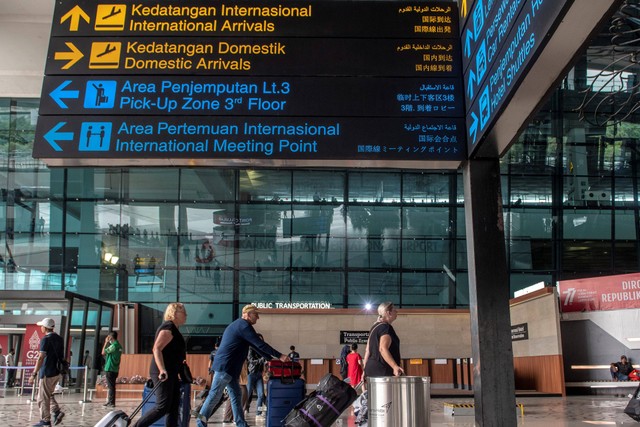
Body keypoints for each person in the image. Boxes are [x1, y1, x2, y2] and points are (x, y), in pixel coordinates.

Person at [197, 304, 290, 427]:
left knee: (236, 395)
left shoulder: (241, 326)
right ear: (247, 314)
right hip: (225, 367)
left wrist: (269, 359)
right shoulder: (243, 325)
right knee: (214, 395)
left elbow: (255, 346)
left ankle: (241, 423)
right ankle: (200, 422)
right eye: (255, 314)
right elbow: (260, 344)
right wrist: (280, 356)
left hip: (230, 369)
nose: (258, 317)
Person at [133, 303, 187, 427]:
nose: (185, 314)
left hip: (172, 372)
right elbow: (156, 349)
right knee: (162, 406)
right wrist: (162, 370)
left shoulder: (174, 328)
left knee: (173, 407)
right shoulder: (168, 328)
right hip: (163, 372)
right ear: (174, 313)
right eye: (183, 312)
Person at [31, 317, 65, 427]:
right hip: (57, 371)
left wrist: (34, 373)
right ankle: (56, 411)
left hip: (47, 371)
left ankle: (45, 421)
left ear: (45, 327)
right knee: (48, 394)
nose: (40, 327)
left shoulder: (46, 339)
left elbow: (41, 357)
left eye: (41, 326)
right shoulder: (60, 339)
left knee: (42, 398)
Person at [363, 302, 404, 377]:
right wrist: (395, 366)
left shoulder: (374, 327)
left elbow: (367, 350)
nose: (396, 312)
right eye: (394, 310)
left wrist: (364, 370)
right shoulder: (386, 328)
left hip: (371, 367)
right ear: (389, 313)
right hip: (382, 368)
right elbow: (382, 349)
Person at [244, 334, 266, 417]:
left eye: (261, 340)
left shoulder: (262, 349)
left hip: (259, 375)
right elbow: (251, 360)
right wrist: (262, 360)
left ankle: (258, 413)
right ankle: (244, 409)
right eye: (258, 339)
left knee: (261, 395)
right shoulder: (250, 348)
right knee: (247, 394)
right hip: (251, 374)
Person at [101, 331, 123, 408]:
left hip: (110, 368)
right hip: (115, 369)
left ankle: (111, 402)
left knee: (111, 386)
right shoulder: (119, 346)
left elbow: (103, 352)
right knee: (112, 386)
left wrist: (106, 342)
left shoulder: (113, 346)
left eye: (108, 337)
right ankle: (110, 401)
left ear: (111, 337)